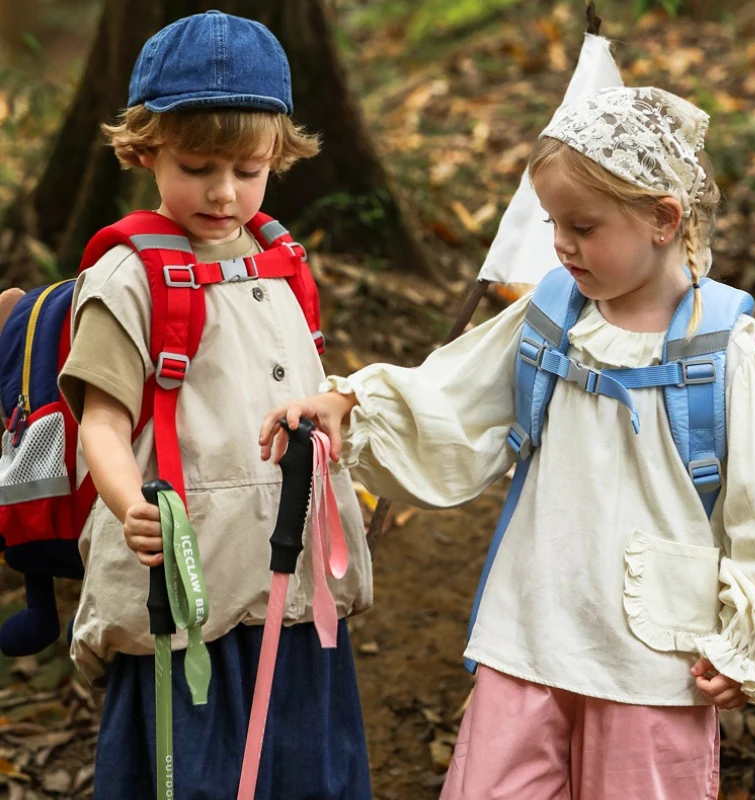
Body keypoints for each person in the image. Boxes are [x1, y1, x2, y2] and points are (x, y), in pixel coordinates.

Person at [259, 87, 755, 799]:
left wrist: (749, 641)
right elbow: (454, 394)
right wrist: (350, 404)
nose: (562, 244)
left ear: (664, 219)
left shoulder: (730, 353)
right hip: (530, 633)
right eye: (554, 223)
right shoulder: (552, 317)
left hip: (654, 661)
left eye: (584, 226)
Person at [58, 11, 372, 800]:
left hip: (293, 586)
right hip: (187, 592)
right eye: (197, 166)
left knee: (308, 771)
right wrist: (130, 506)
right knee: (192, 775)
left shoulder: (281, 262)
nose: (224, 192)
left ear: (278, 157)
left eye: (248, 169)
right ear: (144, 149)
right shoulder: (129, 278)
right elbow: (101, 419)